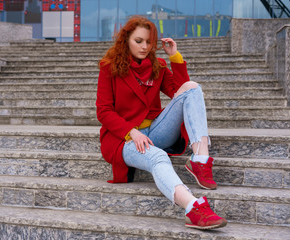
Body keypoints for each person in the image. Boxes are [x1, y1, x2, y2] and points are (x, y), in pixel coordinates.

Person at [96, 16, 227, 230]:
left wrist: (174, 56)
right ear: (126, 39)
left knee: (192, 87)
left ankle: (200, 159)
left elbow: (180, 92)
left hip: (156, 131)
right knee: (158, 155)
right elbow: (103, 111)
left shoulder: (157, 66)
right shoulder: (109, 67)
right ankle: (193, 208)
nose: (145, 46)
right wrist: (132, 133)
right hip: (123, 139)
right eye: (139, 41)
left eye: (149, 42)